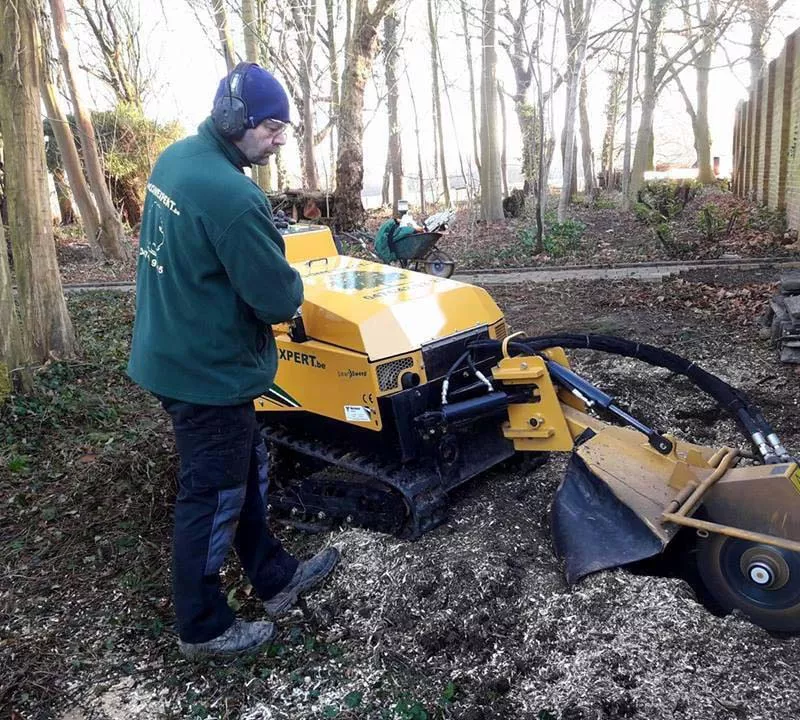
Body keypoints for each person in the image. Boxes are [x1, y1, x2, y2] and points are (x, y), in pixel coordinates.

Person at [127, 62, 339, 660]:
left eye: (284, 129)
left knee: (244, 468)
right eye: (272, 127)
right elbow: (276, 297)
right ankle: (203, 626)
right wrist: (293, 279)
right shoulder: (233, 196)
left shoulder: (177, 160)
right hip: (207, 372)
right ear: (234, 120)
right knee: (214, 492)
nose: (279, 139)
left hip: (173, 347)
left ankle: (272, 576)